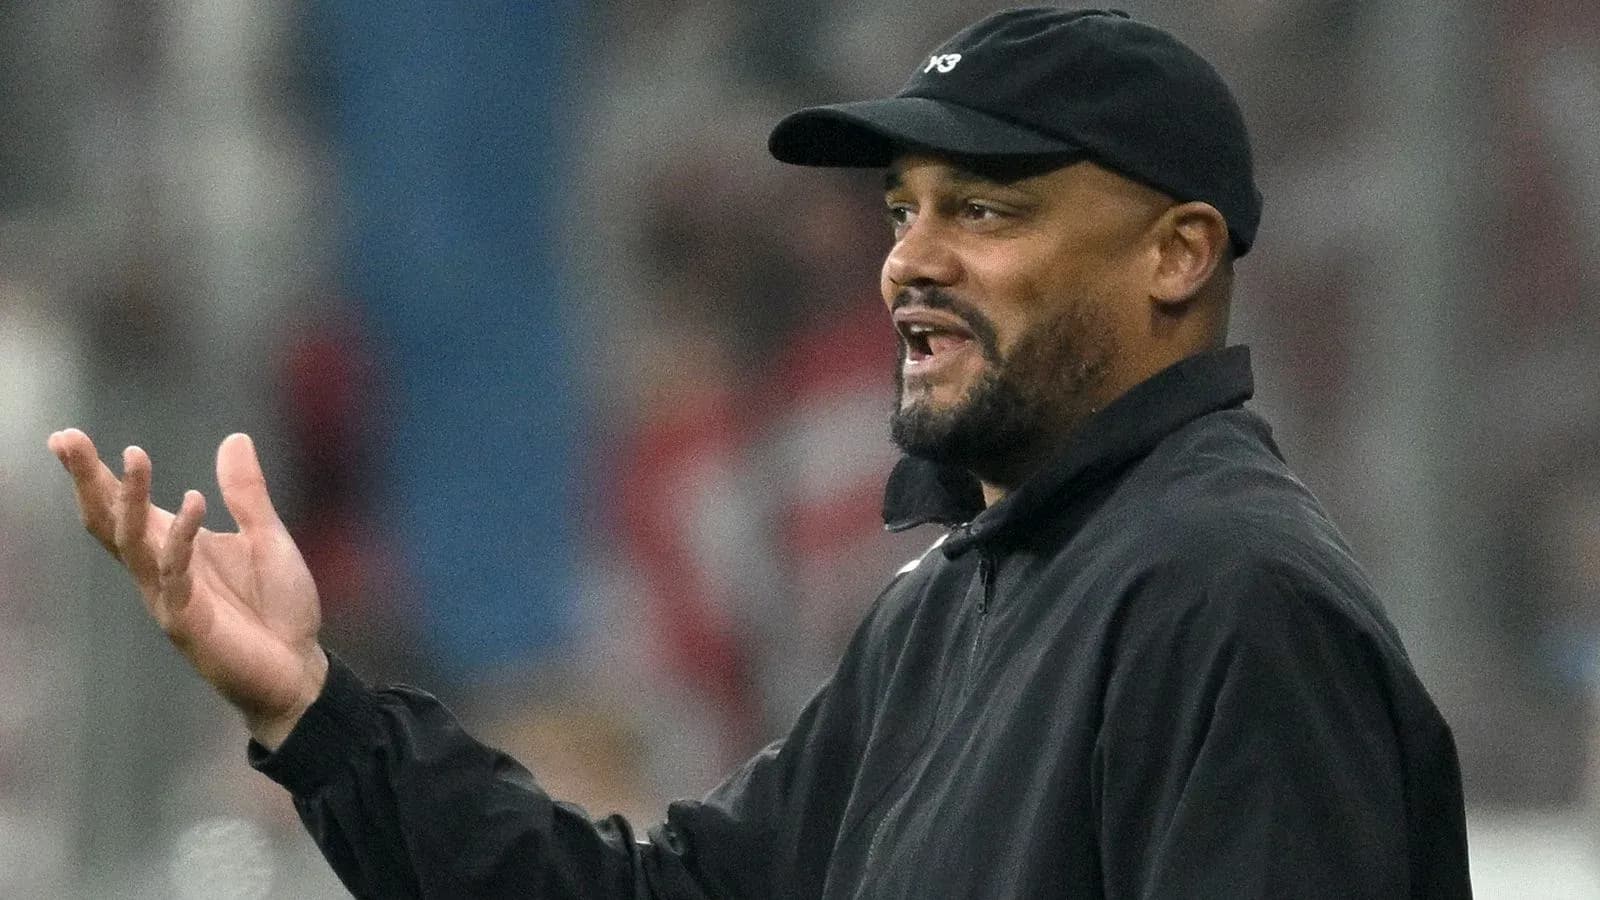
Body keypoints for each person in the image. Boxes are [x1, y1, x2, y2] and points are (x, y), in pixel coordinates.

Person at [48, 8, 1474, 898]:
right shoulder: (957, 605)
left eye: (985, 210)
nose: (909, 258)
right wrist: (317, 714)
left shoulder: (1228, 600)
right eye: (904, 208)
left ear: (1178, 257)